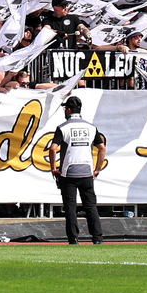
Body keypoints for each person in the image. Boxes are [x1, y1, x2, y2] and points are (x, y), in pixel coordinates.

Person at [49, 96, 105, 245]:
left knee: (70, 207)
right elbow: (102, 148)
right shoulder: (91, 127)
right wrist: (97, 168)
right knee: (91, 206)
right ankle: (97, 238)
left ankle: (73, 239)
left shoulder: (63, 127)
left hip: (68, 172)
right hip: (87, 171)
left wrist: (53, 168)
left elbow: (53, 148)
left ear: (68, 110)